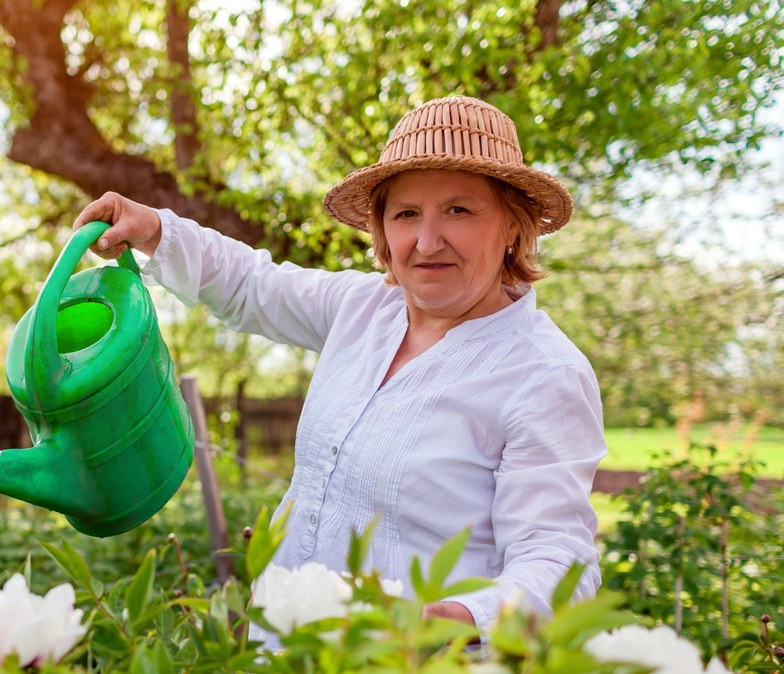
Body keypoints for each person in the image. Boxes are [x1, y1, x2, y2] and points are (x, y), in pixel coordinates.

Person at [72, 96, 605, 633]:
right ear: (382, 230)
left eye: (459, 209)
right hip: (280, 648)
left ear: (513, 226)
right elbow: (251, 284)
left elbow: (558, 557)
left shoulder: (545, 374)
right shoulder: (365, 308)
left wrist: (470, 616)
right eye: (406, 214)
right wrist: (155, 229)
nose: (426, 240)